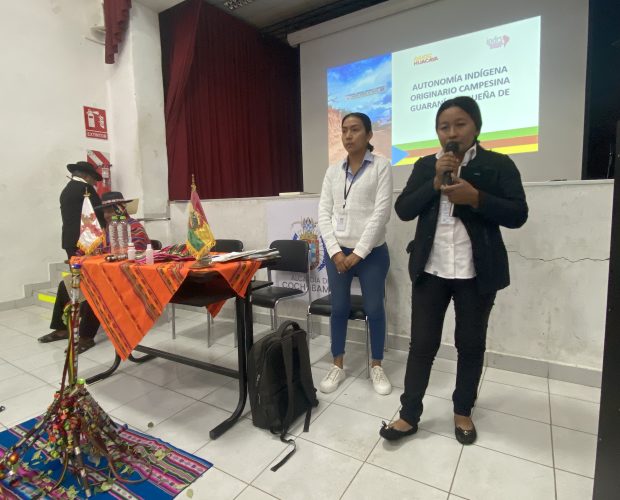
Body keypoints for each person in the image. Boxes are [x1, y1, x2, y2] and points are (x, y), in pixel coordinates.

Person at [380, 96, 528, 444]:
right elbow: (403, 209)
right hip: (431, 271)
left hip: (476, 274)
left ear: (476, 127)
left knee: (470, 345)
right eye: (444, 126)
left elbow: (518, 214)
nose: (451, 132)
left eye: (460, 124)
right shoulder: (425, 165)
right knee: (422, 345)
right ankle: (408, 415)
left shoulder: (498, 164)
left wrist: (476, 198)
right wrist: (433, 184)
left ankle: (462, 411)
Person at [317, 112, 393, 395]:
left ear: (369, 135)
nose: (348, 136)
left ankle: (376, 365)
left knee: (374, 309)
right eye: (344, 130)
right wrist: (336, 252)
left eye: (355, 130)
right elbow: (323, 214)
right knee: (339, 308)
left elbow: (381, 214)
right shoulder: (332, 171)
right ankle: (337, 364)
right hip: (338, 253)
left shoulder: (381, 167)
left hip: (372, 253)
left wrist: (358, 253)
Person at [38, 191, 150, 353]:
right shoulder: (106, 230)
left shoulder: (134, 227)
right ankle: (62, 329)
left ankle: (86, 337)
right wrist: (79, 256)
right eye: (105, 211)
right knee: (65, 284)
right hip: (105, 275)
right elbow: (94, 249)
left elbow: (137, 252)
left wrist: (109, 257)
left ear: (121, 208)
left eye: (110, 210)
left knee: (96, 289)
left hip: (128, 278)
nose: (107, 215)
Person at [60, 161, 105, 259]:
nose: (95, 183)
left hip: (69, 239)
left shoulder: (66, 190)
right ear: (87, 176)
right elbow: (97, 211)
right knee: (91, 267)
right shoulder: (86, 188)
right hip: (85, 240)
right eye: (94, 179)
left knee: (76, 268)